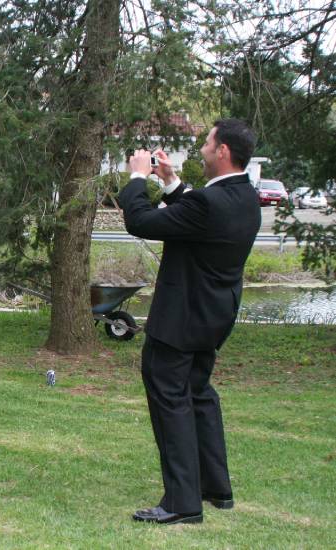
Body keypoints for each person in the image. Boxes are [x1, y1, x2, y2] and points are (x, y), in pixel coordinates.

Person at [119, 119, 261, 525]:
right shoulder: (245, 197)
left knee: (170, 399)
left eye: (207, 142)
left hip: (180, 319)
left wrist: (138, 177)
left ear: (223, 151)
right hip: (213, 318)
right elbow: (197, 216)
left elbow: (141, 222)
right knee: (198, 394)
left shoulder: (209, 203)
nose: (202, 148)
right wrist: (170, 182)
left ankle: (182, 503)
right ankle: (216, 487)